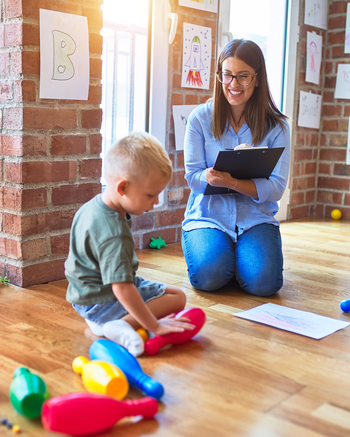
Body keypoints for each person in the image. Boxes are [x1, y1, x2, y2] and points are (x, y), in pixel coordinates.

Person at [65, 132, 193, 357]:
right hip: (102, 300)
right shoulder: (114, 233)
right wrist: (156, 326)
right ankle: (117, 324)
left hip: (82, 297)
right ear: (122, 188)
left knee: (170, 291)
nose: (154, 204)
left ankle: (101, 319)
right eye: (151, 195)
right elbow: (122, 288)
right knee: (178, 298)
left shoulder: (92, 207)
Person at [181, 39, 291, 296]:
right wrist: (208, 177)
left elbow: (275, 188)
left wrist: (231, 182)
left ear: (257, 78)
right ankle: (226, 261)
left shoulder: (277, 126)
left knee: (265, 285)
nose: (233, 84)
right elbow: (193, 178)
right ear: (219, 75)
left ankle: (235, 262)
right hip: (208, 217)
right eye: (227, 75)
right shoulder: (199, 118)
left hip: (255, 218)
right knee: (208, 277)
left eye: (243, 77)